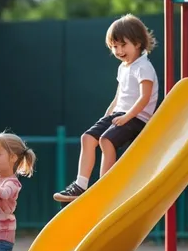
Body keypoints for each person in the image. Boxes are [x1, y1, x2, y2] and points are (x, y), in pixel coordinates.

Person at [54, 14, 159, 203]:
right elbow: (118, 96)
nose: (118, 51)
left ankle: (105, 186)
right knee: (87, 138)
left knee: (106, 140)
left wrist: (128, 116)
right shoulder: (124, 68)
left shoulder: (143, 67)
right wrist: (106, 117)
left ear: (137, 43)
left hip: (138, 117)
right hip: (120, 113)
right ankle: (80, 185)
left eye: (122, 45)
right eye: (114, 46)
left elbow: (145, 97)